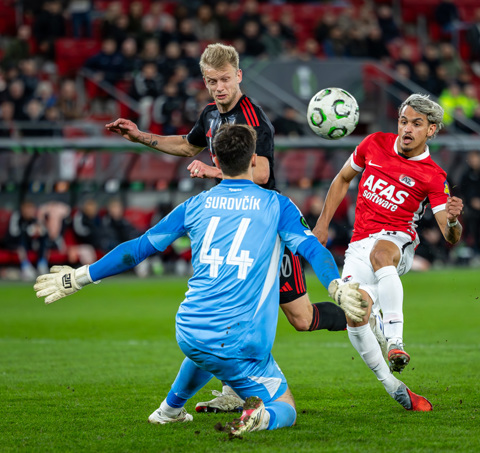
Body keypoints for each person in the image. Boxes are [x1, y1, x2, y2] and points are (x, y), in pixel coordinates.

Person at [33, 124, 367, 437]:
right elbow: (314, 250)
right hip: (240, 342)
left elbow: (136, 250)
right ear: (254, 160)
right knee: (286, 407)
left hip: (189, 329)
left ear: (215, 161)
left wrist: (78, 277)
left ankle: (169, 410)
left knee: (205, 347)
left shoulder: (194, 205)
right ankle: (262, 416)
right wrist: (335, 285)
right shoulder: (277, 205)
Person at [105, 43, 349, 411]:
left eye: (224, 80)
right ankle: (235, 391)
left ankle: (362, 317)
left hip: (265, 230)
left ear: (238, 76)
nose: (219, 87)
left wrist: (213, 170)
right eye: (211, 81)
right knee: (227, 304)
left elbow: (262, 173)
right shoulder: (209, 115)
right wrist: (141, 136)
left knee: (301, 318)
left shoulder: (252, 117)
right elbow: (187, 146)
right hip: (234, 221)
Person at [313, 94, 464, 410]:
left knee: (381, 254)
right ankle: (393, 386)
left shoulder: (433, 175)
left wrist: (452, 221)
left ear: (431, 130)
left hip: (398, 242)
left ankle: (395, 341)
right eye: (403, 121)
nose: (407, 129)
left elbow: (450, 235)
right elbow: (342, 179)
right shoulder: (374, 143)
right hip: (359, 245)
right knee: (355, 313)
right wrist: (322, 224)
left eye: (416, 124)